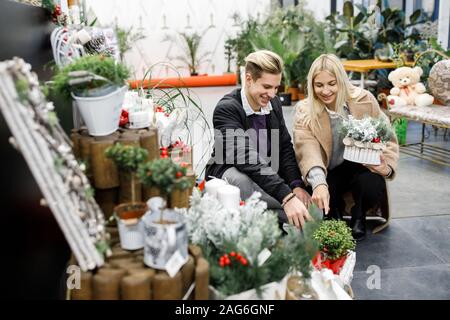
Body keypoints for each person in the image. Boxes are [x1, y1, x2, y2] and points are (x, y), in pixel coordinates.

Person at [293, 54, 399, 240]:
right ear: (312, 85)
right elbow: (307, 149)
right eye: (319, 85)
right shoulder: (305, 110)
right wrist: (318, 183)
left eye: (331, 83)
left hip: (361, 167)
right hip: (328, 170)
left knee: (373, 183)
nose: (325, 91)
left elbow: (388, 136)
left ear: (341, 80)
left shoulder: (364, 100)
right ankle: (334, 210)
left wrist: (387, 167)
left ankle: (360, 214)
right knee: (322, 191)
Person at [205, 50, 312, 229]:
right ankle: (276, 220)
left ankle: (273, 221)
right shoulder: (227, 109)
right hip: (233, 173)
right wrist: (286, 197)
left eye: (276, 87)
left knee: (306, 205)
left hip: (265, 174)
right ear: (249, 79)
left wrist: (296, 185)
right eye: (266, 87)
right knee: (244, 183)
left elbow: (284, 147)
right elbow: (245, 157)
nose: (272, 94)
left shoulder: (273, 104)